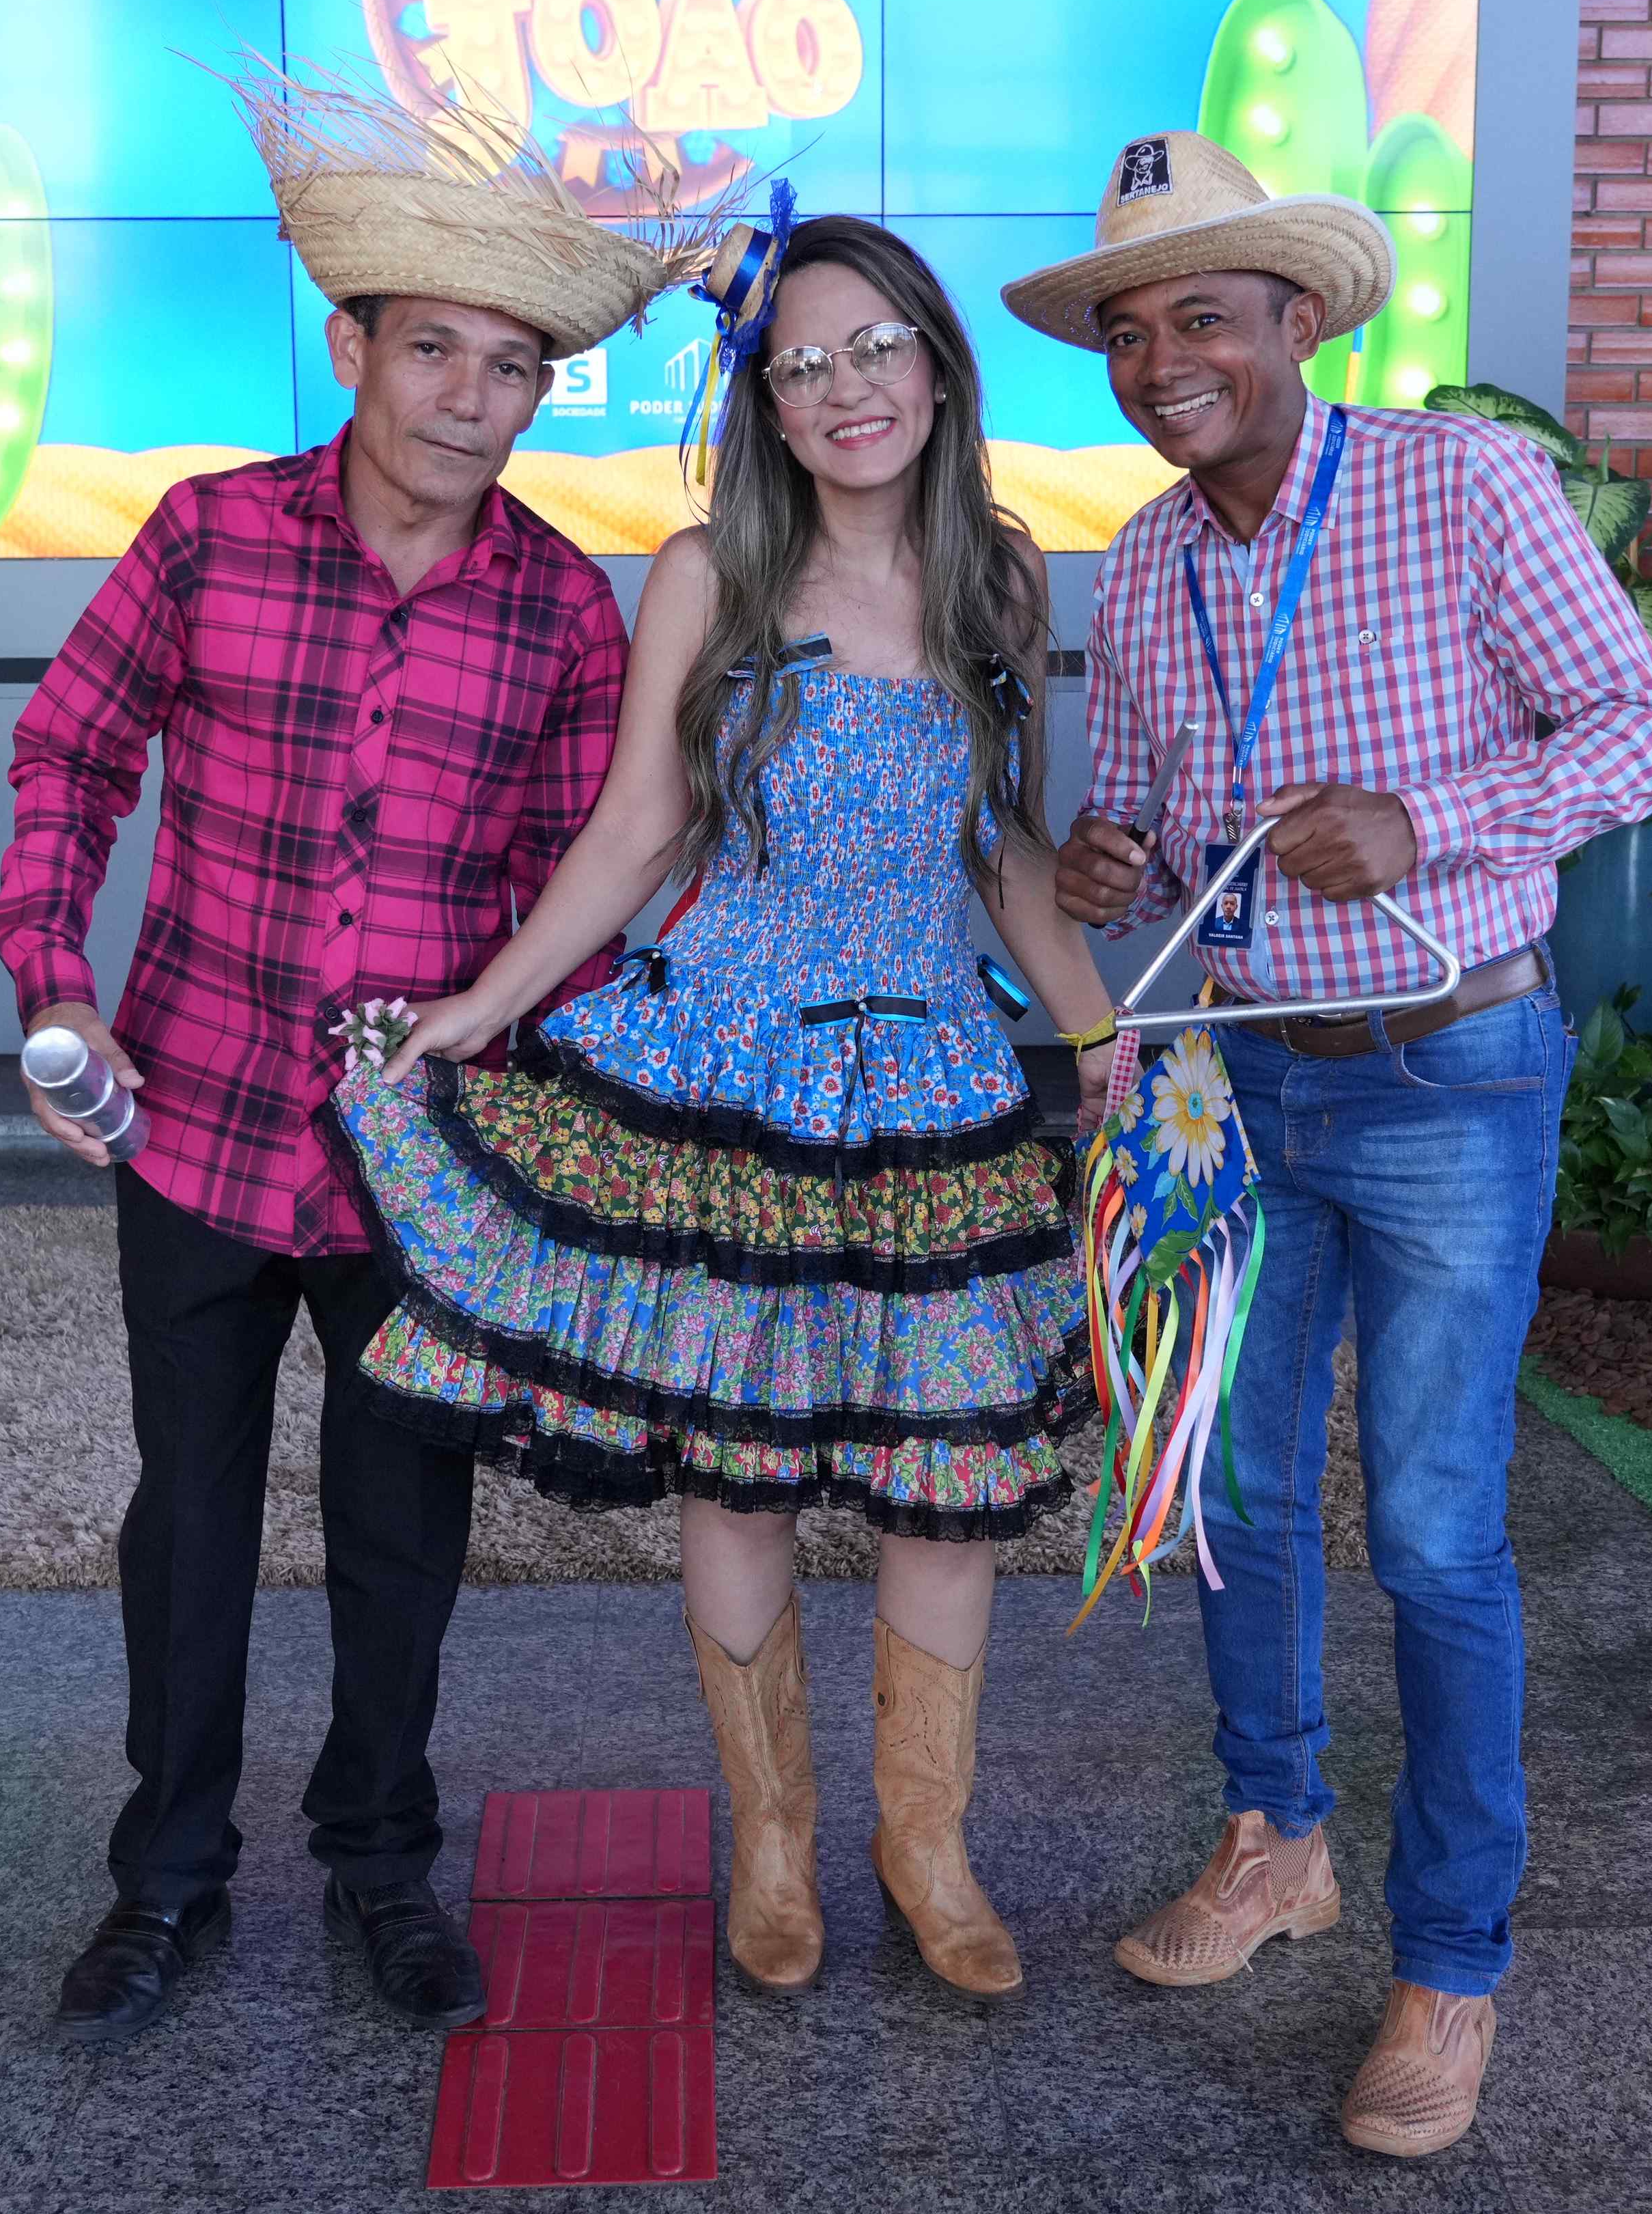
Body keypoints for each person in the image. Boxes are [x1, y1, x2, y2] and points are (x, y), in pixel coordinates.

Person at [0, 76, 708, 2045]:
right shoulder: (208, 537)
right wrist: (57, 984)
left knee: (403, 1527)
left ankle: (384, 1860)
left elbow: (575, 892)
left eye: (514, 366)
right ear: (354, 347)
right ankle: (167, 1876)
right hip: (197, 1127)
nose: (472, 399)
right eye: (436, 351)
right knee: (190, 1516)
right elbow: (71, 752)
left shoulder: (563, 609)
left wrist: (545, 1138)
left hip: (419, 1166)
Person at [328, 213, 1117, 2003]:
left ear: (938, 369)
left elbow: (1001, 844)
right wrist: (483, 1007)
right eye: (803, 364)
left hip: (930, 1078)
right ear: (765, 401)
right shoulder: (709, 574)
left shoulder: (1001, 577)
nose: (846, 389)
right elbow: (639, 828)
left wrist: (1097, 1036)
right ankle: (771, 1840)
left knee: (939, 1478)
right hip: (728, 1068)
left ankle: (927, 1846)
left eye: (876, 348)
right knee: (741, 1474)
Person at [1005, 133, 1652, 2155]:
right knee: (1230, 1487)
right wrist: (1114, 858)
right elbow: (1156, 830)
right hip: (1238, 1078)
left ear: (1298, 319)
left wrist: (1429, 822)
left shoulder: (1456, 484)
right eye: (1130, 333)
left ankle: (1449, 1964)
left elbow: (1650, 732)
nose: (1162, 363)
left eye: (1203, 317)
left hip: (1450, 1070)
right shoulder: (1146, 559)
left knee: (1433, 1527)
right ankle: (1278, 1841)